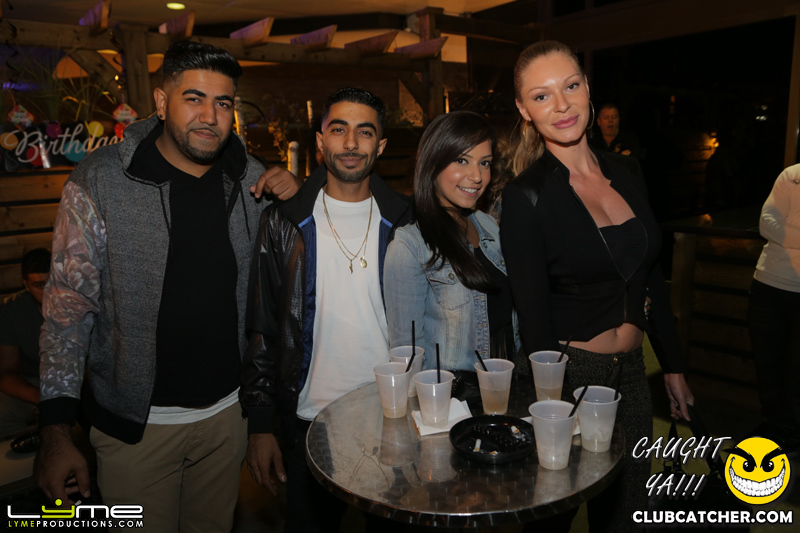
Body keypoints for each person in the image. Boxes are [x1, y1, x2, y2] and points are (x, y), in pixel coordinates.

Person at [35, 40, 300, 532]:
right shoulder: (101, 180)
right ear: (161, 102)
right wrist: (55, 428)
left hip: (228, 419)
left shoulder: (253, 180)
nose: (210, 116)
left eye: (223, 103)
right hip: (136, 430)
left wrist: (299, 202)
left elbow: (281, 298)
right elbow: (67, 310)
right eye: (193, 98)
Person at [499, 40, 693, 532]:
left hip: (633, 371)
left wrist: (672, 366)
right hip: (570, 375)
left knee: (628, 510)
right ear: (524, 110)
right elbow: (533, 317)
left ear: (588, 88)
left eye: (570, 86)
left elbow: (651, 275)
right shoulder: (526, 196)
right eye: (541, 96)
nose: (561, 105)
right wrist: (553, 406)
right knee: (553, 516)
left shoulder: (626, 170)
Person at [240, 88, 412, 533]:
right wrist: (260, 424)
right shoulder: (283, 221)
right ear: (320, 141)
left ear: (380, 145)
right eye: (339, 130)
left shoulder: (407, 223)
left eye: (364, 132)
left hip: (392, 419)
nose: (351, 143)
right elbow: (262, 328)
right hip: (308, 422)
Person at [385, 111, 519, 375]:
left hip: (505, 386)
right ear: (432, 163)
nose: (477, 176)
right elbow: (407, 358)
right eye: (462, 160)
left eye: (485, 163)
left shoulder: (489, 226)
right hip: (451, 396)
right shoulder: (410, 246)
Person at [748, 164, 800, 453]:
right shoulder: (792, 175)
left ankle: (790, 433)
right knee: (767, 364)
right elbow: (767, 224)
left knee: (796, 370)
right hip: (767, 283)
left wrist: (788, 228)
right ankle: (776, 428)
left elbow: (778, 227)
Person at [0, 248, 50, 438]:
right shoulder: (12, 311)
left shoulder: (77, 303)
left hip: (81, 380)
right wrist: (37, 396)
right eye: (40, 285)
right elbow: (6, 372)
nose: (48, 291)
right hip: (34, 380)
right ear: (26, 285)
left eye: (52, 283)